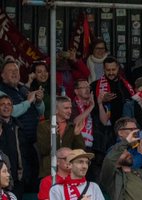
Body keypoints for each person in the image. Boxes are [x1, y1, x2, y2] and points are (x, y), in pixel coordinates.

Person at [0, 60, 44, 192]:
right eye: (10, 71)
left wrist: (39, 101)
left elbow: (40, 111)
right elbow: (11, 111)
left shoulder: (23, 88)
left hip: (33, 141)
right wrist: (29, 101)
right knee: (18, 179)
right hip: (15, 141)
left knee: (33, 177)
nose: (15, 73)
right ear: (2, 75)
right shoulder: (1, 91)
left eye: (16, 71)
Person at [99, 127, 142, 200]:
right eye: (122, 152)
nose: (127, 153)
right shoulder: (112, 178)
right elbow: (109, 159)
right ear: (115, 159)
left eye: (127, 151)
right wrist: (127, 141)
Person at [37, 96, 85, 178]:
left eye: (70, 108)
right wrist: (53, 136)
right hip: (49, 171)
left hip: (69, 172)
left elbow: (80, 152)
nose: (70, 111)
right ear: (55, 110)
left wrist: (77, 135)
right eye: (66, 108)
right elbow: (43, 150)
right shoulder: (44, 126)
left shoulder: (72, 127)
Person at [91, 57, 135, 126]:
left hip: (125, 123)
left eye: (113, 69)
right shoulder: (94, 85)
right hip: (105, 127)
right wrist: (101, 101)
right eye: (108, 70)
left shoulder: (126, 84)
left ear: (118, 68)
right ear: (104, 69)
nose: (111, 73)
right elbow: (91, 107)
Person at [0, 96, 24, 197]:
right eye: (2, 104)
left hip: (17, 178)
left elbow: (24, 152)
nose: (6, 107)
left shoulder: (18, 126)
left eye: (9, 104)